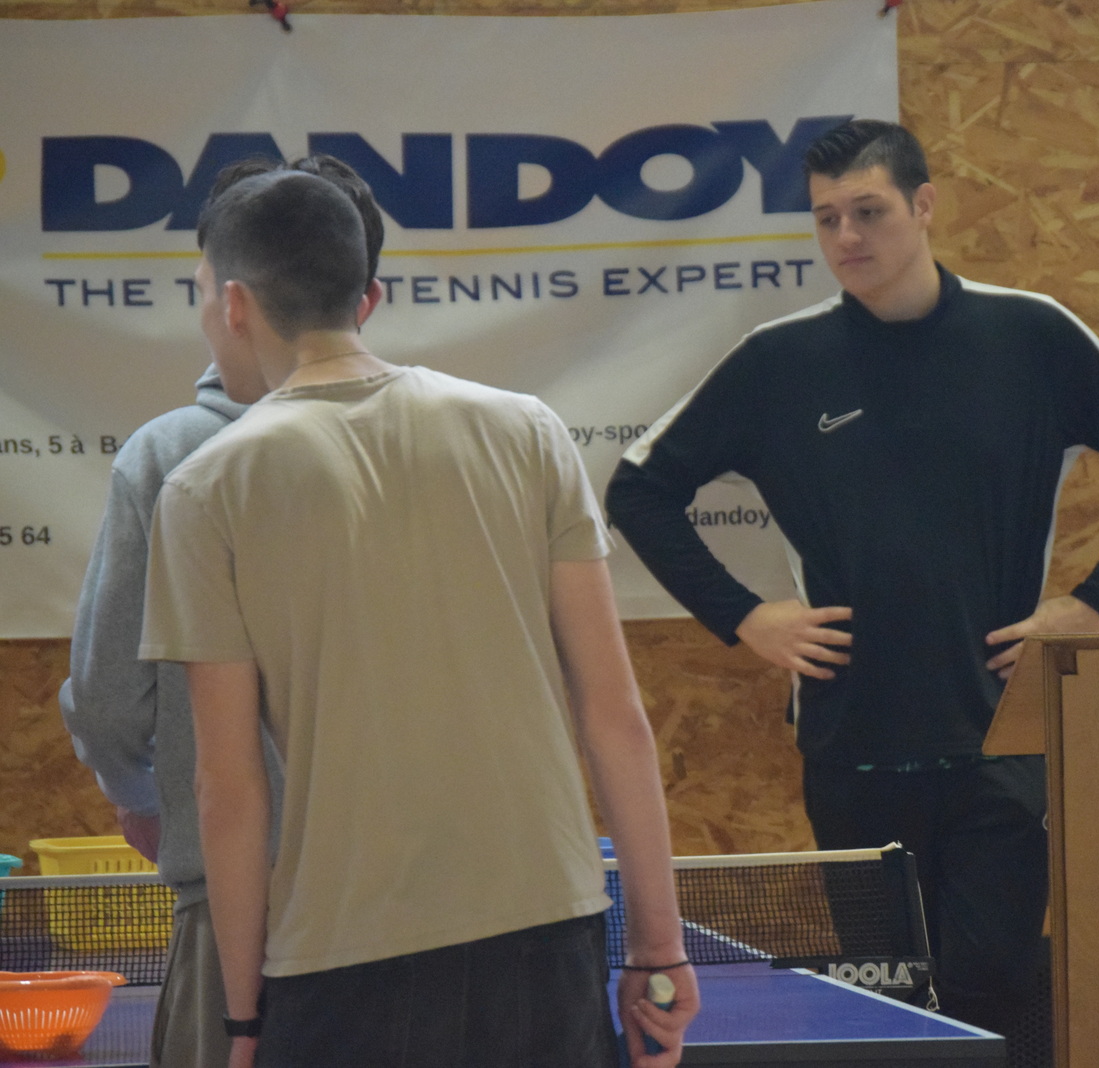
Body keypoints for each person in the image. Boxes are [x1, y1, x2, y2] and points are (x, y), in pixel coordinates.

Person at [605, 119, 1099, 1037]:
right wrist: (747, 616)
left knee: (995, 994)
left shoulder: (1030, 334)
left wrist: (1091, 606)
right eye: (827, 218)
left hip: (1000, 738)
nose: (847, 236)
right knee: (887, 1012)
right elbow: (638, 490)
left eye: (869, 211)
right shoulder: (779, 361)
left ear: (924, 206)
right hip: (852, 746)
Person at [138, 168, 696, 1068]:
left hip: (342, 957)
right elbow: (615, 715)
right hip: (548, 935)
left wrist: (242, 1022)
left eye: (201, 294)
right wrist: (660, 952)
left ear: (234, 305)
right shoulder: (528, 429)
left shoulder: (205, 488)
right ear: (362, 292)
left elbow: (227, 788)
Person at [58, 154, 385, 1068]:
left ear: (228, 298)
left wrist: (140, 794)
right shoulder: (455, 446)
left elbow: (109, 699)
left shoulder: (171, 458)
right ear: (364, 296)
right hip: (421, 905)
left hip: (239, 901)